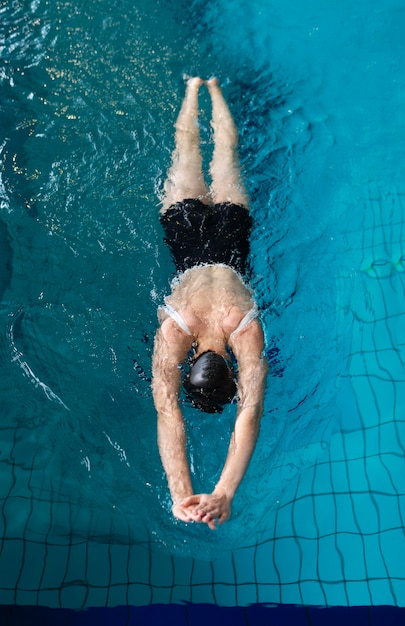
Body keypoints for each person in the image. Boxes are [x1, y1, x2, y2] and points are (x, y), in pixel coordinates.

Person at [152, 77, 267, 530]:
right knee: (187, 153)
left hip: (232, 236)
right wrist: (199, 493)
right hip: (184, 234)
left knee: (225, 155)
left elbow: (250, 411)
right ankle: (193, 89)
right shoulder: (176, 330)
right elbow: (168, 409)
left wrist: (214, 492)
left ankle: (208, 89)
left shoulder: (245, 330)